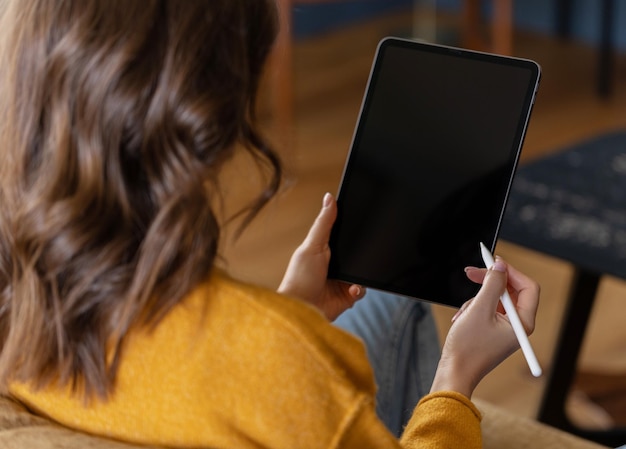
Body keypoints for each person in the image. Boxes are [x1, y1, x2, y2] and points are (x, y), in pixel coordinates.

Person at [0, 0, 540, 448]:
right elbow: (262, 378)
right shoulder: (285, 370)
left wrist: (290, 311)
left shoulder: (20, 301)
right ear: (209, 114)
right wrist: (456, 380)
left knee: (390, 295)